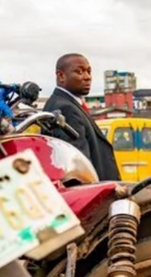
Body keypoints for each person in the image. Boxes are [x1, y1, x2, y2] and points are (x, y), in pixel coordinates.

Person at [43, 53, 120, 181]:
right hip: (93, 194)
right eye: (79, 72)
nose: (87, 77)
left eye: (89, 72)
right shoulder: (65, 109)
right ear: (61, 76)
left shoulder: (67, 104)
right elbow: (78, 167)